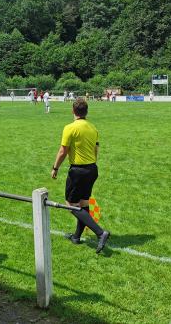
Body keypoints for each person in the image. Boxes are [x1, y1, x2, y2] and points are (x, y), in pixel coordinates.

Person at [50, 98, 110, 253]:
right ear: (86, 111)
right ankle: (76, 237)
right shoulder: (93, 127)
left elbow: (63, 151)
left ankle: (100, 232)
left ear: (73, 110)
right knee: (83, 204)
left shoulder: (70, 128)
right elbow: (96, 149)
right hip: (92, 170)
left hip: (78, 171)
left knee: (70, 205)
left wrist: (55, 168)